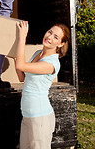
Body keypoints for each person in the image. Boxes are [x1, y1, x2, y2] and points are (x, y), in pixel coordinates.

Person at [14, 21, 70, 149]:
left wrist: (22, 37)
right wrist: (15, 58)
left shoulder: (52, 64)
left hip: (40, 118)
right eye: (50, 32)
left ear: (61, 44)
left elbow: (21, 65)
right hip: (27, 114)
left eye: (56, 37)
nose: (49, 37)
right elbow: (23, 77)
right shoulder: (38, 54)